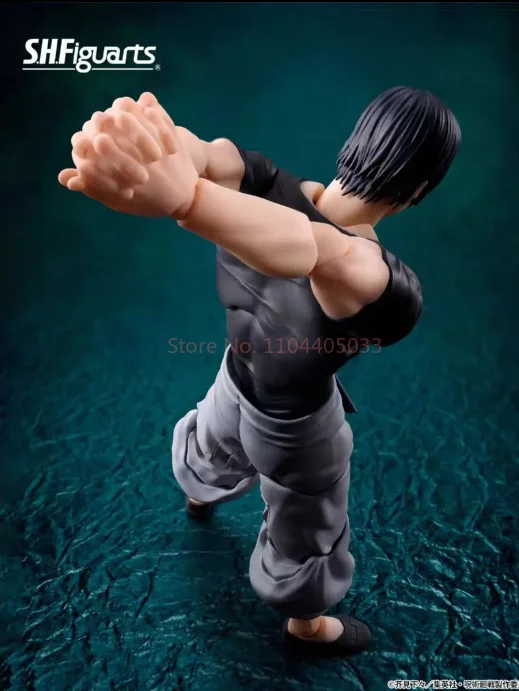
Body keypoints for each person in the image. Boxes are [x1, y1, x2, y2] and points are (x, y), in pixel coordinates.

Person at [58, 86, 461, 656]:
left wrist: (178, 185)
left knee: (210, 441)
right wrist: (147, 155)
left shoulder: (268, 184)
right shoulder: (375, 273)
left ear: (357, 142)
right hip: (292, 421)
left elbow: (294, 234)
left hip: (237, 381)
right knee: (310, 519)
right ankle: (307, 625)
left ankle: (200, 496)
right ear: (420, 189)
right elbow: (291, 231)